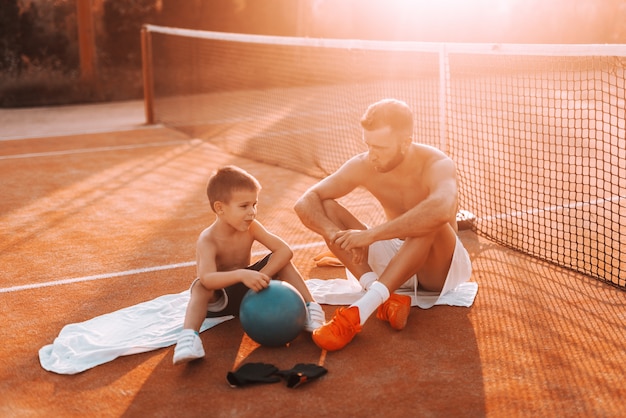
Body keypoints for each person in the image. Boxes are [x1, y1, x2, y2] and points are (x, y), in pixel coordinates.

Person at [294, 98, 472, 351]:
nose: (371, 154)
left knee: (430, 218)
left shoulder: (437, 163)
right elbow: (305, 202)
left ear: (405, 142)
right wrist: (336, 236)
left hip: (438, 269)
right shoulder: (364, 164)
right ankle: (382, 295)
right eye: (368, 145)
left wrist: (370, 236)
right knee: (326, 207)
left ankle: (359, 312)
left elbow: (442, 209)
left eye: (380, 147)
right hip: (395, 257)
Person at [173, 165, 325, 364]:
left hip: (252, 289)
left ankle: (311, 308)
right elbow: (208, 279)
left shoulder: (251, 227)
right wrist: (242, 275)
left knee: (283, 263)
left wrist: (264, 275)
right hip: (222, 297)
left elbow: (284, 251)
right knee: (200, 287)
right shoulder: (208, 239)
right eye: (244, 206)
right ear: (220, 208)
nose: (252, 212)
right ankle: (189, 338)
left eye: (255, 204)